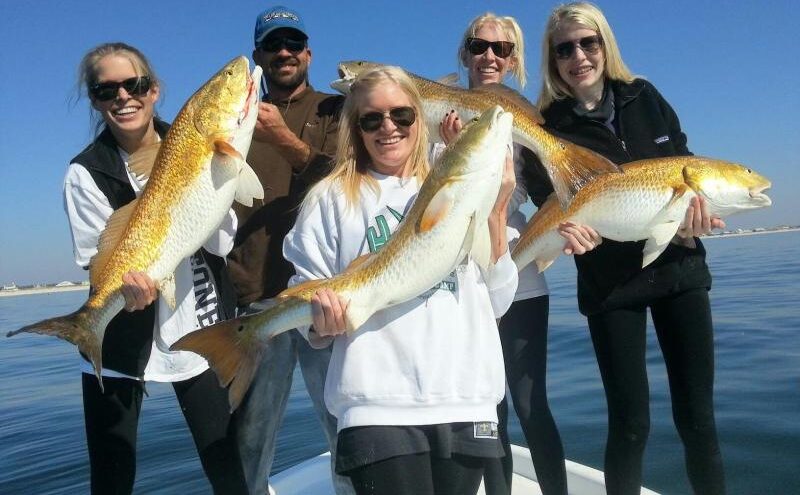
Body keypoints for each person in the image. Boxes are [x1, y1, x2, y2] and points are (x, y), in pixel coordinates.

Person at [281, 66, 518, 495]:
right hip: (376, 405)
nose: (388, 127)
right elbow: (308, 302)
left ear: (420, 118)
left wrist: (498, 212)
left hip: (466, 397)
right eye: (372, 119)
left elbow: (497, 299)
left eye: (402, 115)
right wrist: (318, 320)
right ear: (355, 128)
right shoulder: (330, 198)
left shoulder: (463, 188)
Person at [535, 3, 727, 494]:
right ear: (552, 60)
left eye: (588, 43)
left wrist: (694, 220)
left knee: (698, 421)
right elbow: (548, 200)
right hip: (609, 284)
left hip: (679, 270)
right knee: (630, 424)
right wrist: (568, 235)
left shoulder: (647, 98)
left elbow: (684, 164)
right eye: (565, 49)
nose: (578, 56)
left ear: (605, 45)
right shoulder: (550, 127)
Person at [65, 42, 247, 494]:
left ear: (155, 90)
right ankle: (85, 331)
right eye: (107, 89)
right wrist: (122, 295)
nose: (123, 96)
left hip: (196, 320)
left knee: (227, 467)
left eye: (135, 84)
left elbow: (222, 243)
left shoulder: (192, 142)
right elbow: (97, 257)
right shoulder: (84, 173)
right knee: (111, 477)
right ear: (95, 100)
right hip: (120, 334)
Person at [437, 13, 600, 495]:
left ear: (514, 61)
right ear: (464, 53)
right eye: (479, 46)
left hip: (518, 262)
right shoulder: (430, 110)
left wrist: (575, 229)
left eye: (502, 49)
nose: (490, 56)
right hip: (456, 276)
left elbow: (561, 192)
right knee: (488, 409)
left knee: (531, 405)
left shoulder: (531, 118)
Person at [225, 5, 351, 494]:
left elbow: (346, 184)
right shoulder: (234, 115)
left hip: (325, 297)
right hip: (254, 294)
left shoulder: (337, 111)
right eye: (273, 44)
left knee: (344, 423)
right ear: (257, 54)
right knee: (251, 435)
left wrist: (278, 136)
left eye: (293, 44)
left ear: (308, 53)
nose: (284, 53)